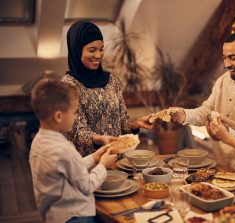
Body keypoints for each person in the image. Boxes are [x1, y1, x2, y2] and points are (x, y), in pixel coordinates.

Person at [172, 31, 235, 178]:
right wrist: (184, 114)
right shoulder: (223, 80)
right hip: (218, 165)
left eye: (233, 58)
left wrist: (224, 132)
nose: (226, 64)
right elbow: (206, 111)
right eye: (224, 58)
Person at [30, 79, 117, 223]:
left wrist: (94, 158)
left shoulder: (38, 142)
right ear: (58, 116)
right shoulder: (64, 148)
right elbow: (87, 185)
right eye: (74, 112)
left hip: (54, 215)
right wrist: (103, 165)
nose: (76, 117)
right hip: (76, 216)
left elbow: (68, 168)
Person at [62, 20, 153, 156]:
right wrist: (101, 139)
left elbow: (122, 122)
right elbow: (76, 132)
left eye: (101, 49)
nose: (98, 55)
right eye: (92, 50)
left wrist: (135, 124)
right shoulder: (68, 86)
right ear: (76, 50)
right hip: (88, 165)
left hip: (116, 159)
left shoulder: (111, 80)